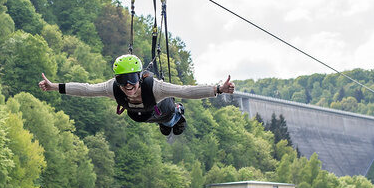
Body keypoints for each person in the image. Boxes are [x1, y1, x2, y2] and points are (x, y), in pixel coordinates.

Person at [38, 54, 235, 136]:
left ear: (140, 77)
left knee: (167, 115)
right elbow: (86, 89)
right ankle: (165, 123)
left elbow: (186, 91)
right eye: (122, 80)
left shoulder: (155, 87)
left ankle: (177, 113)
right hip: (142, 114)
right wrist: (54, 86)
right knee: (140, 117)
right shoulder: (113, 88)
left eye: (132, 79)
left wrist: (217, 89)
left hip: (161, 107)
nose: (128, 85)